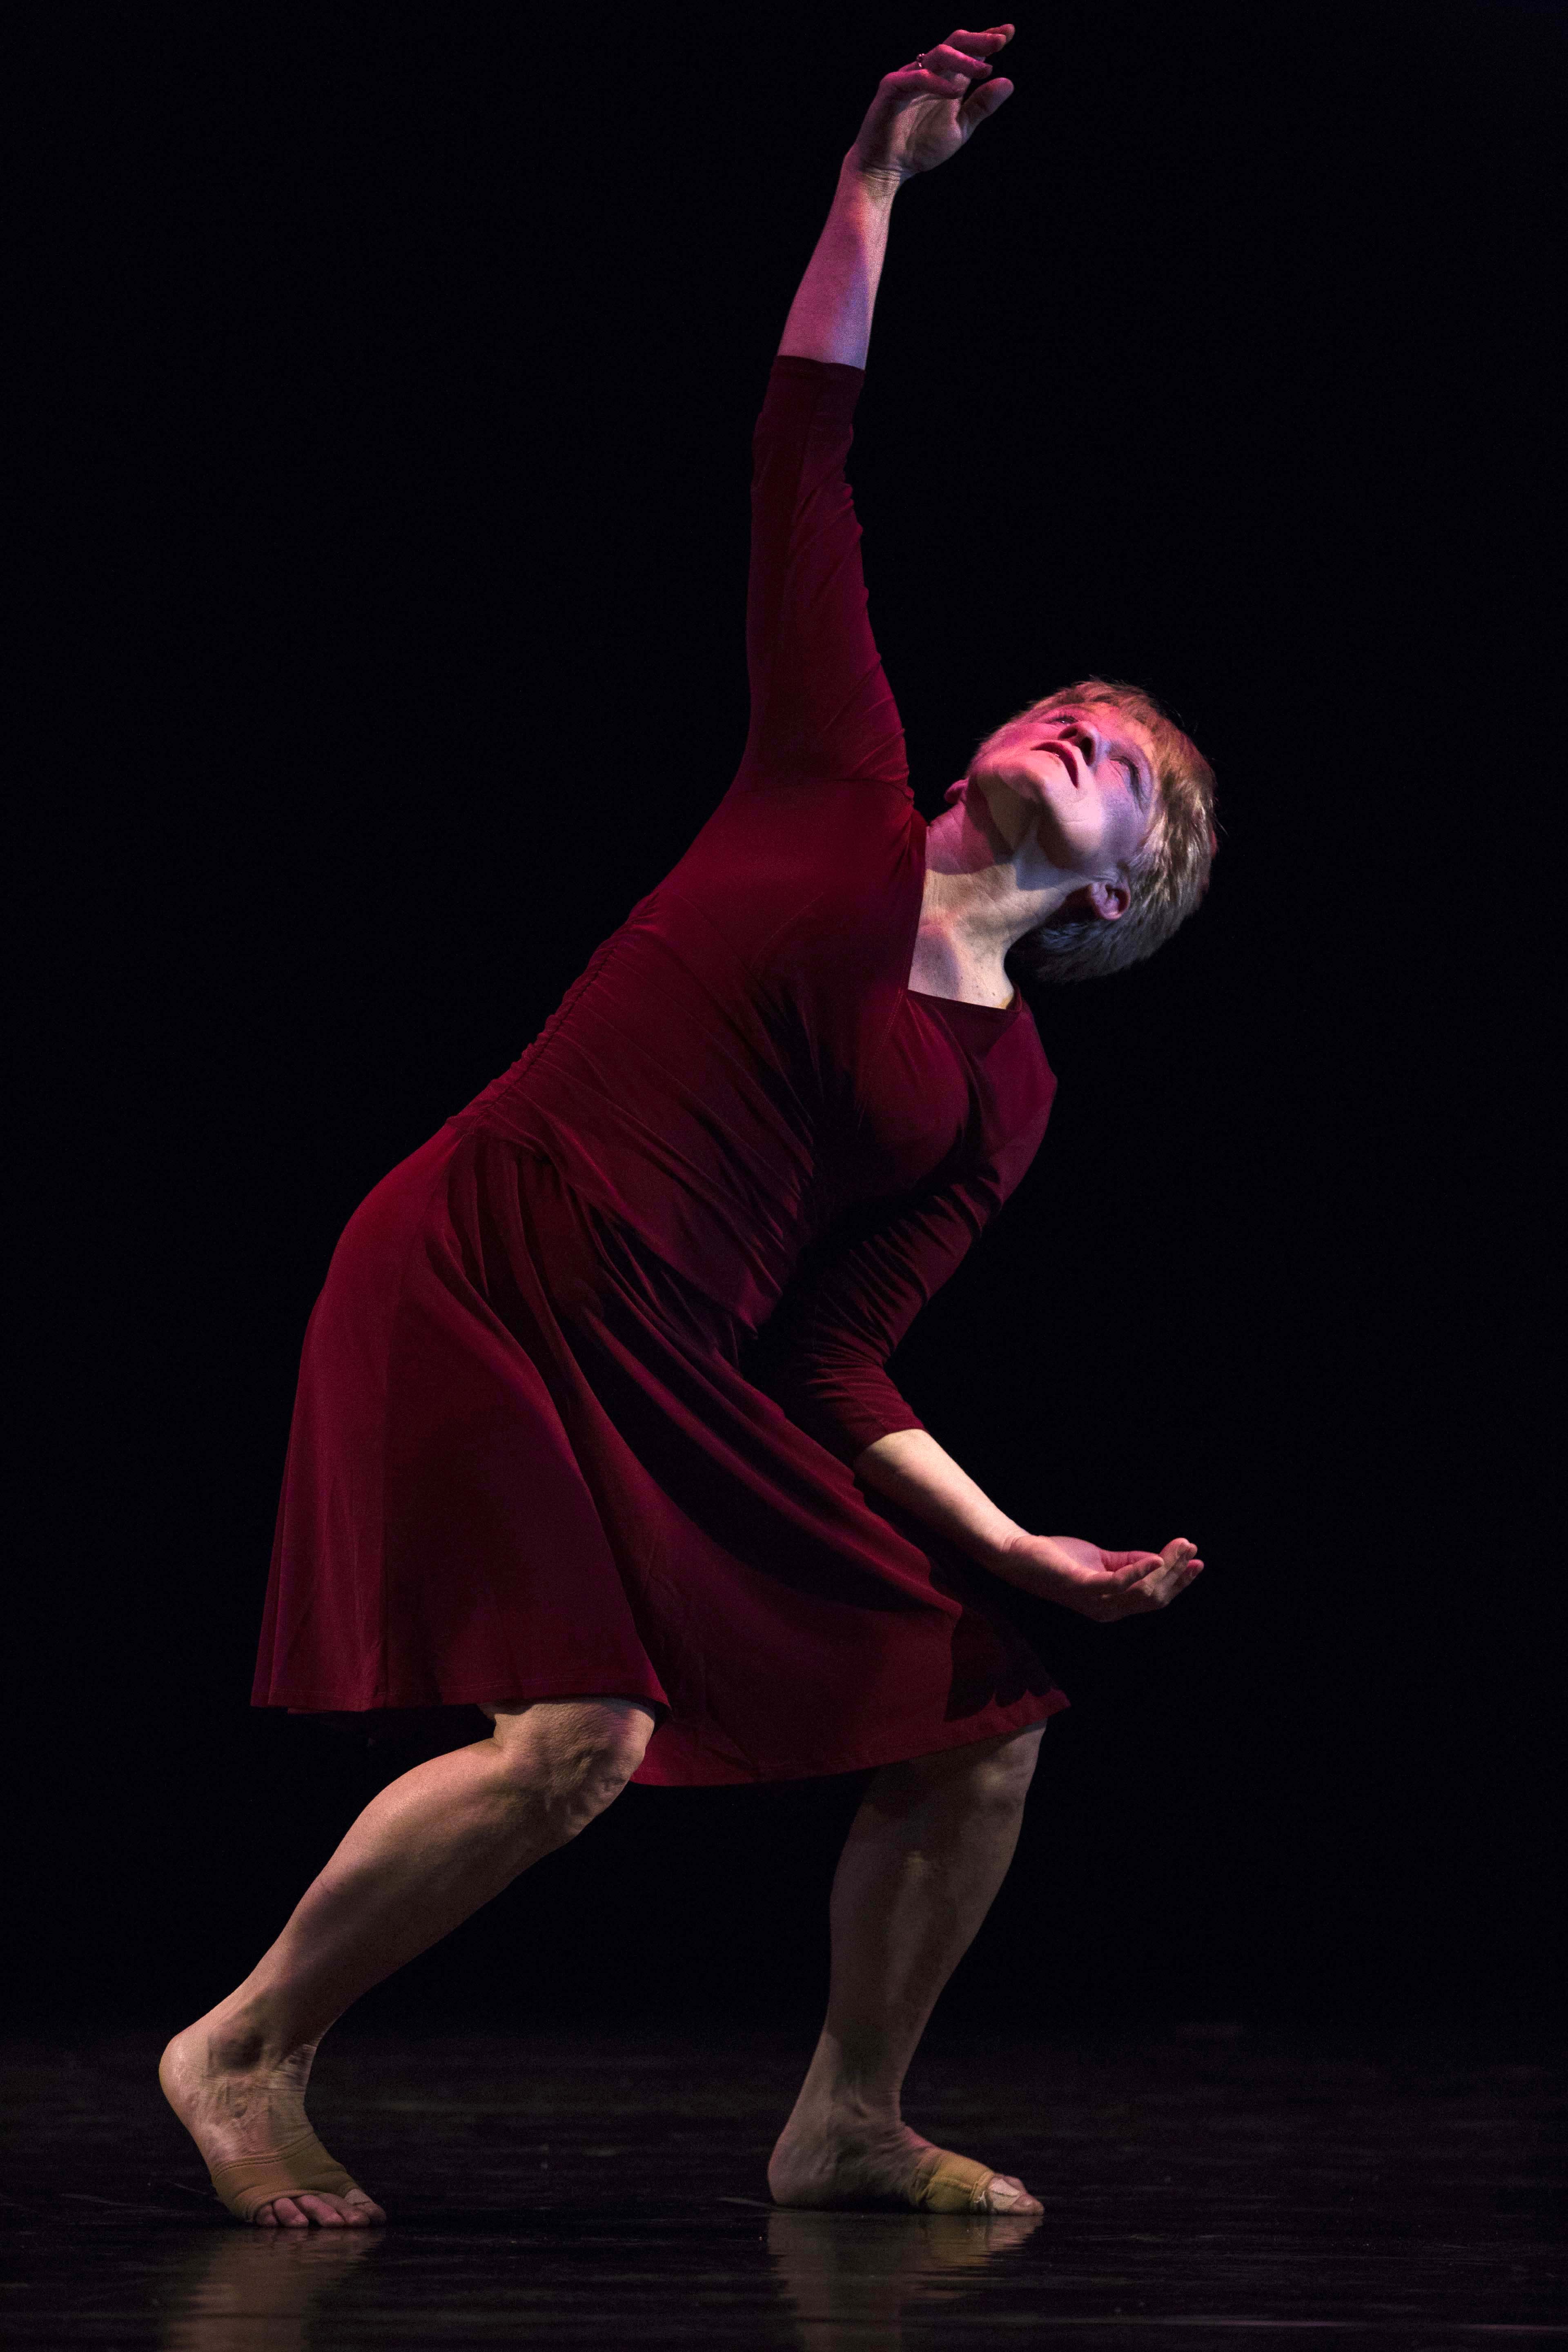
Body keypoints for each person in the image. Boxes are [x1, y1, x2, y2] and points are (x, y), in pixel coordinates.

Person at [161, 23, 1214, 2229]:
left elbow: (832, 1357)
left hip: (670, 1362)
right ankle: (240, 2051)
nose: (1073, 725)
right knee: (584, 1741)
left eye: (1121, 758)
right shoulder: (831, 782)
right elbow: (802, 456)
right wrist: (874, 185)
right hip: (485, 1258)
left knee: (986, 1712)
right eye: (1066, 704)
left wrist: (1015, 1544)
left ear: (1123, 893)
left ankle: (846, 2119)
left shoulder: (1006, 1087)